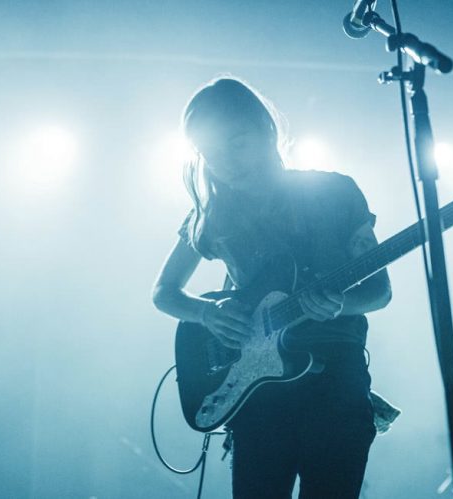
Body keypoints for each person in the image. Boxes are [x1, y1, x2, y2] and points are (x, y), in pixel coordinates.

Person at [151, 76, 392, 499]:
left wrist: (336, 306)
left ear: (266, 130)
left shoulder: (333, 192)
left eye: (236, 143)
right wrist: (207, 314)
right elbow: (164, 292)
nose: (224, 161)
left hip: (336, 386)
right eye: (209, 152)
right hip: (258, 398)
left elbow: (379, 291)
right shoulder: (213, 215)